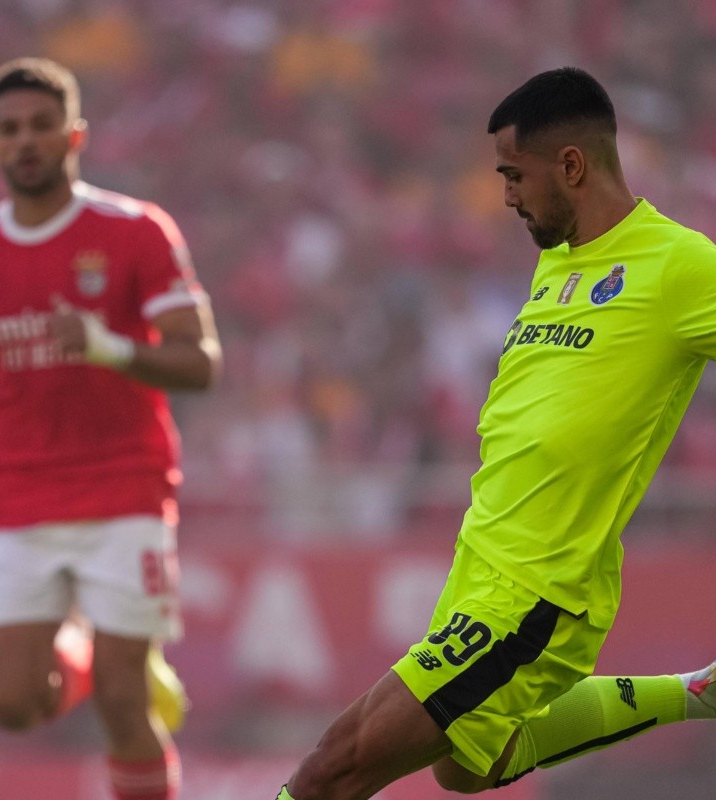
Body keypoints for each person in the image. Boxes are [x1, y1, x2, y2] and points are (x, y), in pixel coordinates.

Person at [274, 67, 716, 800]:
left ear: (571, 165)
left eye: (515, 175)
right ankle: (697, 693)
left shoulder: (680, 267)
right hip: (478, 566)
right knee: (469, 766)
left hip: (539, 587)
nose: (505, 195)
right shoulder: (559, 260)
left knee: (331, 769)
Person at [0, 57, 222, 800]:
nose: (27, 141)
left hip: (127, 488)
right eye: (11, 130)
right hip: (25, 497)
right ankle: (90, 651)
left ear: (74, 136)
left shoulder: (135, 230)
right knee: (11, 703)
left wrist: (108, 346)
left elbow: (201, 361)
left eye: (42, 127)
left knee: (124, 704)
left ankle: (124, 666)